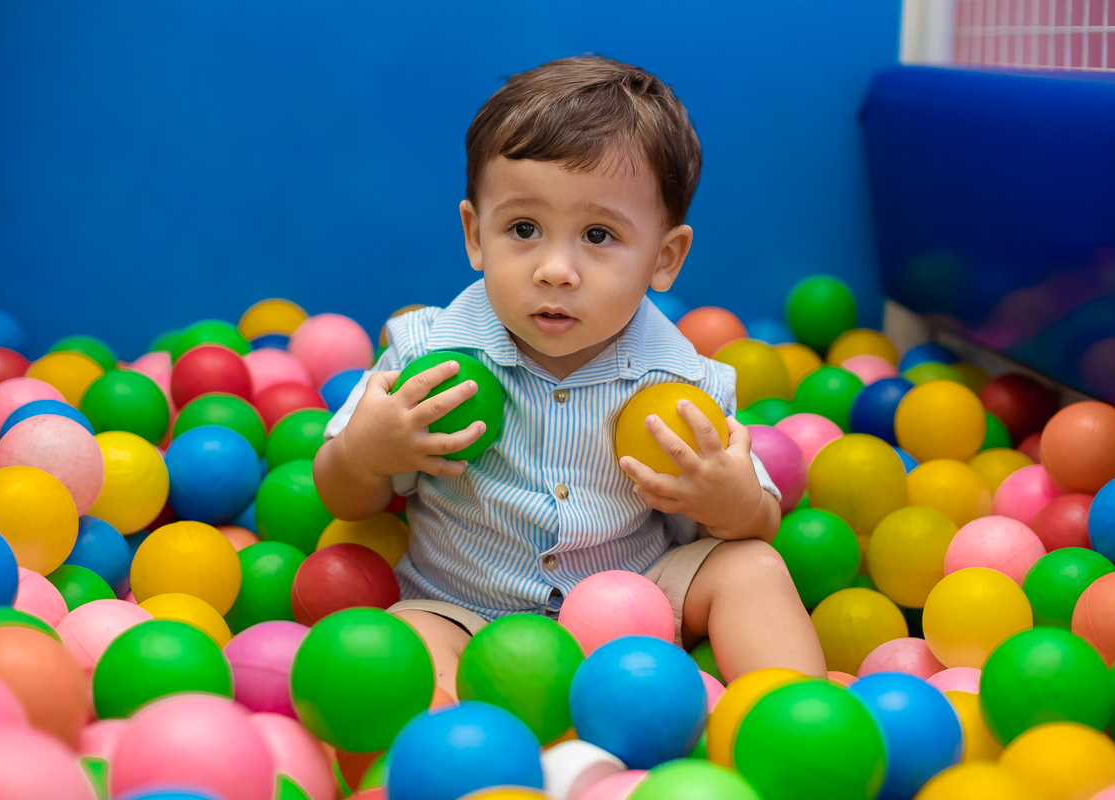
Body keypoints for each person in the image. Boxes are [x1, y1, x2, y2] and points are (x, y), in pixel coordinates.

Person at [314, 55, 825, 696]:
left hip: (640, 607)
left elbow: (758, 520)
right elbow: (342, 495)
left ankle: (791, 719)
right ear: (476, 235)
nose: (556, 269)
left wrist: (734, 504)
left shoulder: (681, 383)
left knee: (752, 566)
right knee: (405, 645)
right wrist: (365, 454)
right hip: (463, 613)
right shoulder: (427, 358)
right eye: (524, 229)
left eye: (599, 234)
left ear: (664, 259)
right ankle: (463, 764)